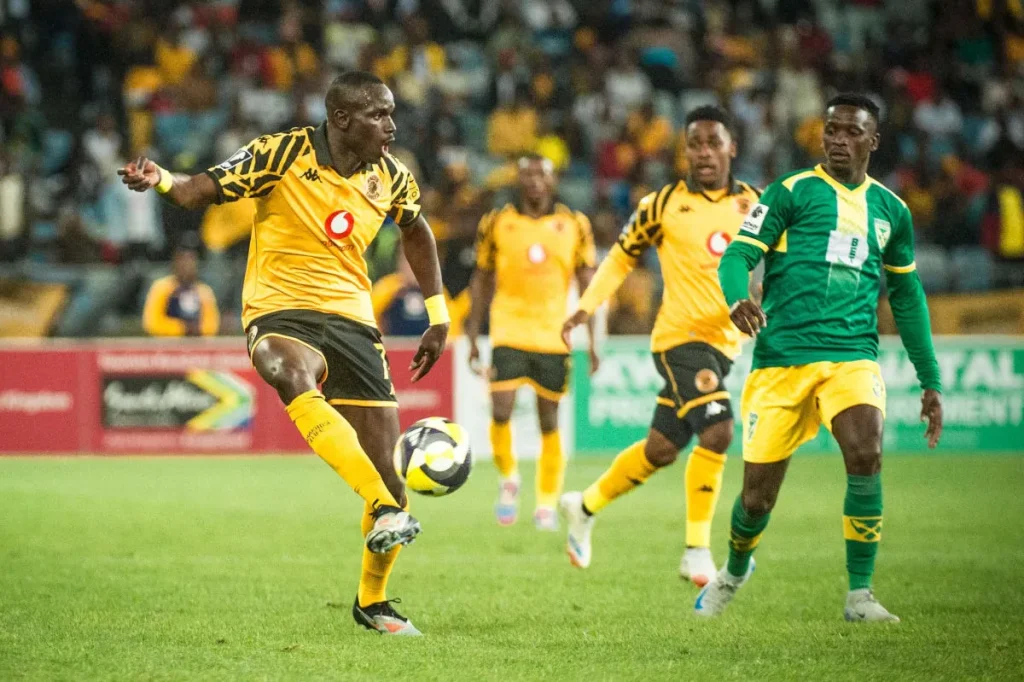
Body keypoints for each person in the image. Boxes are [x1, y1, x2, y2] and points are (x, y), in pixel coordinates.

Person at [118, 71, 449, 636]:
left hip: (352, 318)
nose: (391, 126)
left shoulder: (392, 176)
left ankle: (373, 602)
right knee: (287, 369)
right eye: (379, 115)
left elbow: (417, 232)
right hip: (279, 308)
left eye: (391, 114)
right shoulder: (282, 153)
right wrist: (163, 179)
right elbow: (201, 189)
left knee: (393, 476)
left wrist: (439, 316)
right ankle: (383, 508)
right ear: (341, 118)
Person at [696, 93, 943, 622]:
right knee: (756, 500)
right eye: (832, 130)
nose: (839, 140)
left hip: (851, 356)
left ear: (873, 141)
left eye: (852, 132)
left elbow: (907, 296)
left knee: (865, 452)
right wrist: (737, 298)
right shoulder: (791, 192)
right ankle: (734, 570)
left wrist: (930, 379)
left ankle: (860, 595)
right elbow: (738, 254)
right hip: (781, 361)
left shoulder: (891, 211)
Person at [559, 106, 762, 586]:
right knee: (718, 432)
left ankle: (583, 506)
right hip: (679, 339)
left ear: (732, 148)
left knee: (662, 448)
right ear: (684, 151)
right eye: (695, 144)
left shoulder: (755, 204)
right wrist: (586, 307)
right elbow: (620, 258)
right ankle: (696, 551)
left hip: (725, 347)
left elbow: (780, 260)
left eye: (714, 142)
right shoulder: (662, 204)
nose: (704, 152)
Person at [464, 154, 597, 531]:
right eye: (527, 174)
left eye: (542, 174)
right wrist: (472, 335)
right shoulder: (497, 222)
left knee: (548, 420)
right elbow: (481, 278)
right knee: (500, 409)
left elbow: (589, 282)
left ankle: (546, 504)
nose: (535, 181)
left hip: (555, 334)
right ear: (517, 180)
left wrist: (594, 340)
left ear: (553, 181)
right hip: (509, 329)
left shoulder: (574, 224)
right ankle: (509, 479)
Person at [142, 235, 220, 337]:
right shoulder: (161, 288)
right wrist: (182, 328)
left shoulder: (203, 291)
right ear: (175, 262)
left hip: (197, 343)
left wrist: (198, 329)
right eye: (182, 260)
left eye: (191, 260)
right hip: (167, 343)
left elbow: (212, 325)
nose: (187, 265)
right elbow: (151, 323)